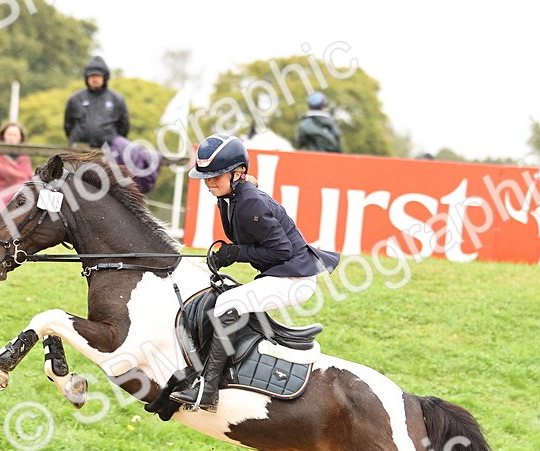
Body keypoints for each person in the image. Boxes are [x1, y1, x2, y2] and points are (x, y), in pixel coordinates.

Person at [170, 134, 340, 411]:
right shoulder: (230, 197)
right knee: (219, 294)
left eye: (216, 176)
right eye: (207, 177)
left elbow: (281, 252)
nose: (210, 182)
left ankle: (208, 390)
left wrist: (235, 253)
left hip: (294, 278)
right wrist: (230, 253)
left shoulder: (250, 202)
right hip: (281, 274)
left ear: (238, 173)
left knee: (229, 303)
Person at [64, 56, 129, 149]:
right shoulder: (76, 99)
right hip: (80, 149)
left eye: (98, 76)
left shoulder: (116, 99)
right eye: (92, 76)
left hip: (109, 149)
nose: (95, 79)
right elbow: (68, 125)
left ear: (104, 78)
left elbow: (124, 126)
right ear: (87, 78)